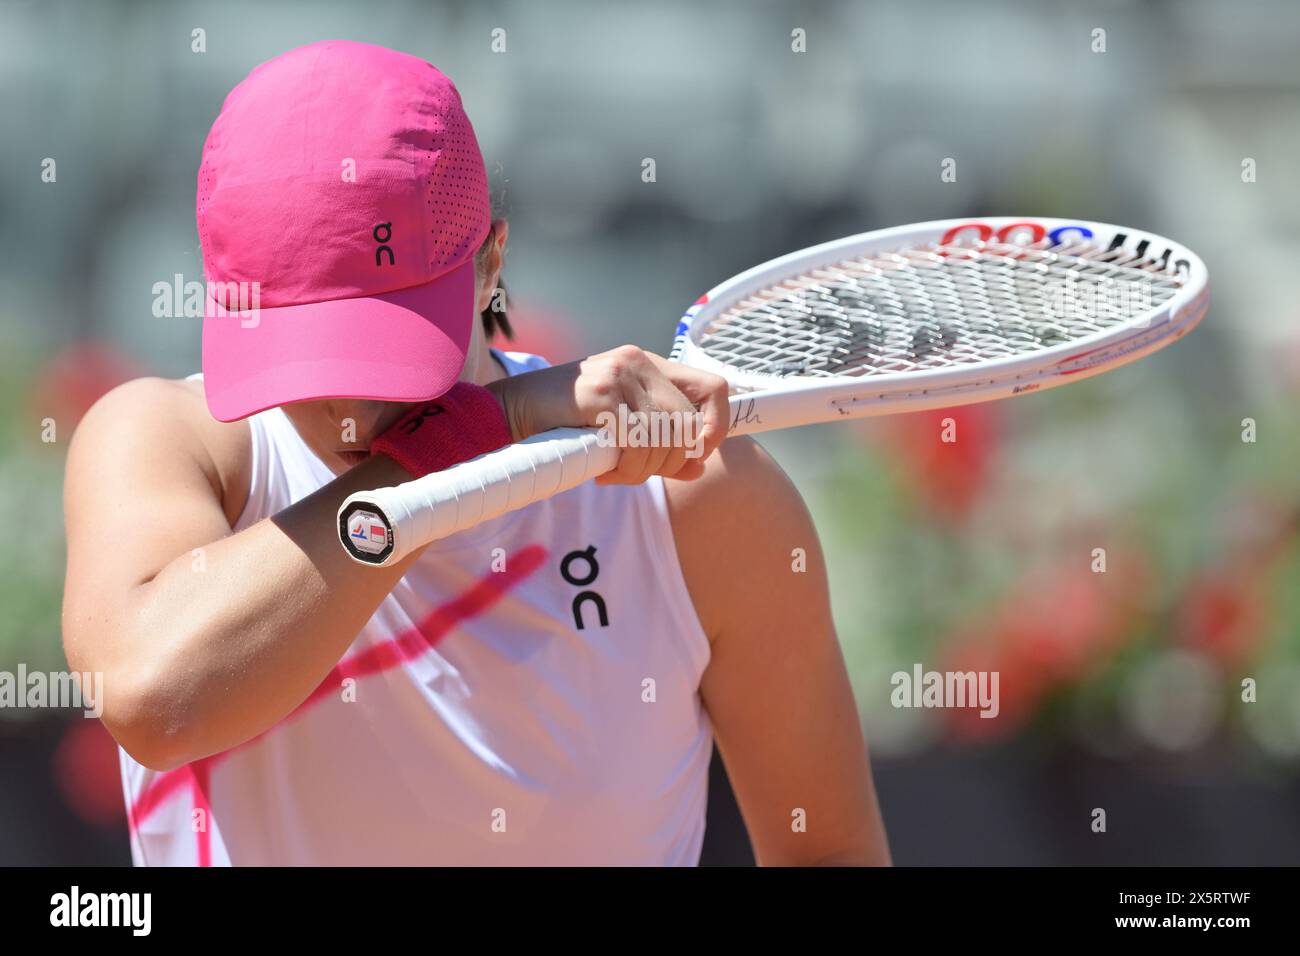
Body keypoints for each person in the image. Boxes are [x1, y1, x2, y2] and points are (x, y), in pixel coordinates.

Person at [61, 40, 889, 866]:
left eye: (382, 358)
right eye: (309, 361)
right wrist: (476, 433)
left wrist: (485, 434)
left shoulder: (694, 501)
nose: (350, 414)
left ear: (491, 263)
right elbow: (153, 700)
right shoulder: (167, 439)